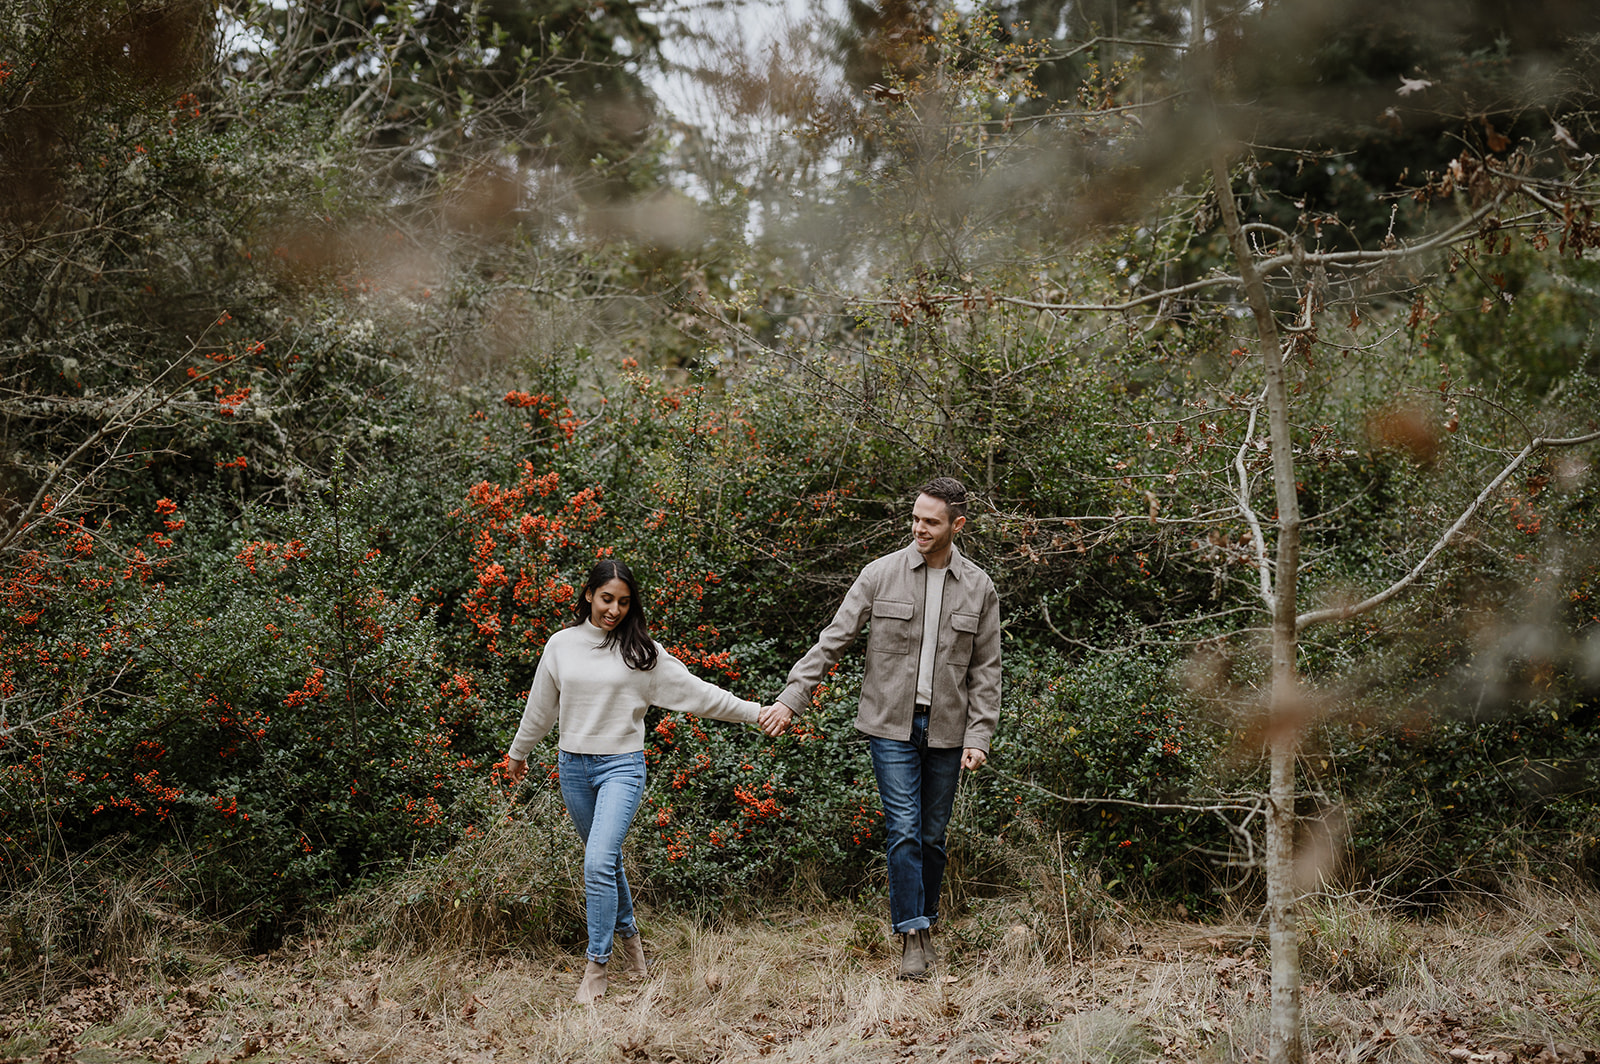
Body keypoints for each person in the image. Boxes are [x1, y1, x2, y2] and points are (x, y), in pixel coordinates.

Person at [757, 477, 1001, 980]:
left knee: (933, 836)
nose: (919, 528)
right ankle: (911, 933)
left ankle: (926, 921)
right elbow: (832, 642)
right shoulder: (879, 574)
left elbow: (987, 670)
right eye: (915, 518)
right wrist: (791, 699)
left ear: (957, 525)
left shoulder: (979, 587)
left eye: (931, 522)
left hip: (948, 731)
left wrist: (979, 736)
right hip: (890, 726)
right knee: (905, 829)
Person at [504, 558, 775, 1004]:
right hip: (573, 767)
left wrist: (754, 712)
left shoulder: (642, 653)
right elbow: (541, 707)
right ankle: (633, 946)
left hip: (621, 768)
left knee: (596, 863)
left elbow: (699, 694)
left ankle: (597, 967)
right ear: (588, 595)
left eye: (624, 603)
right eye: (607, 599)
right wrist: (518, 752)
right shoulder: (561, 645)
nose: (614, 610)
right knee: (604, 862)